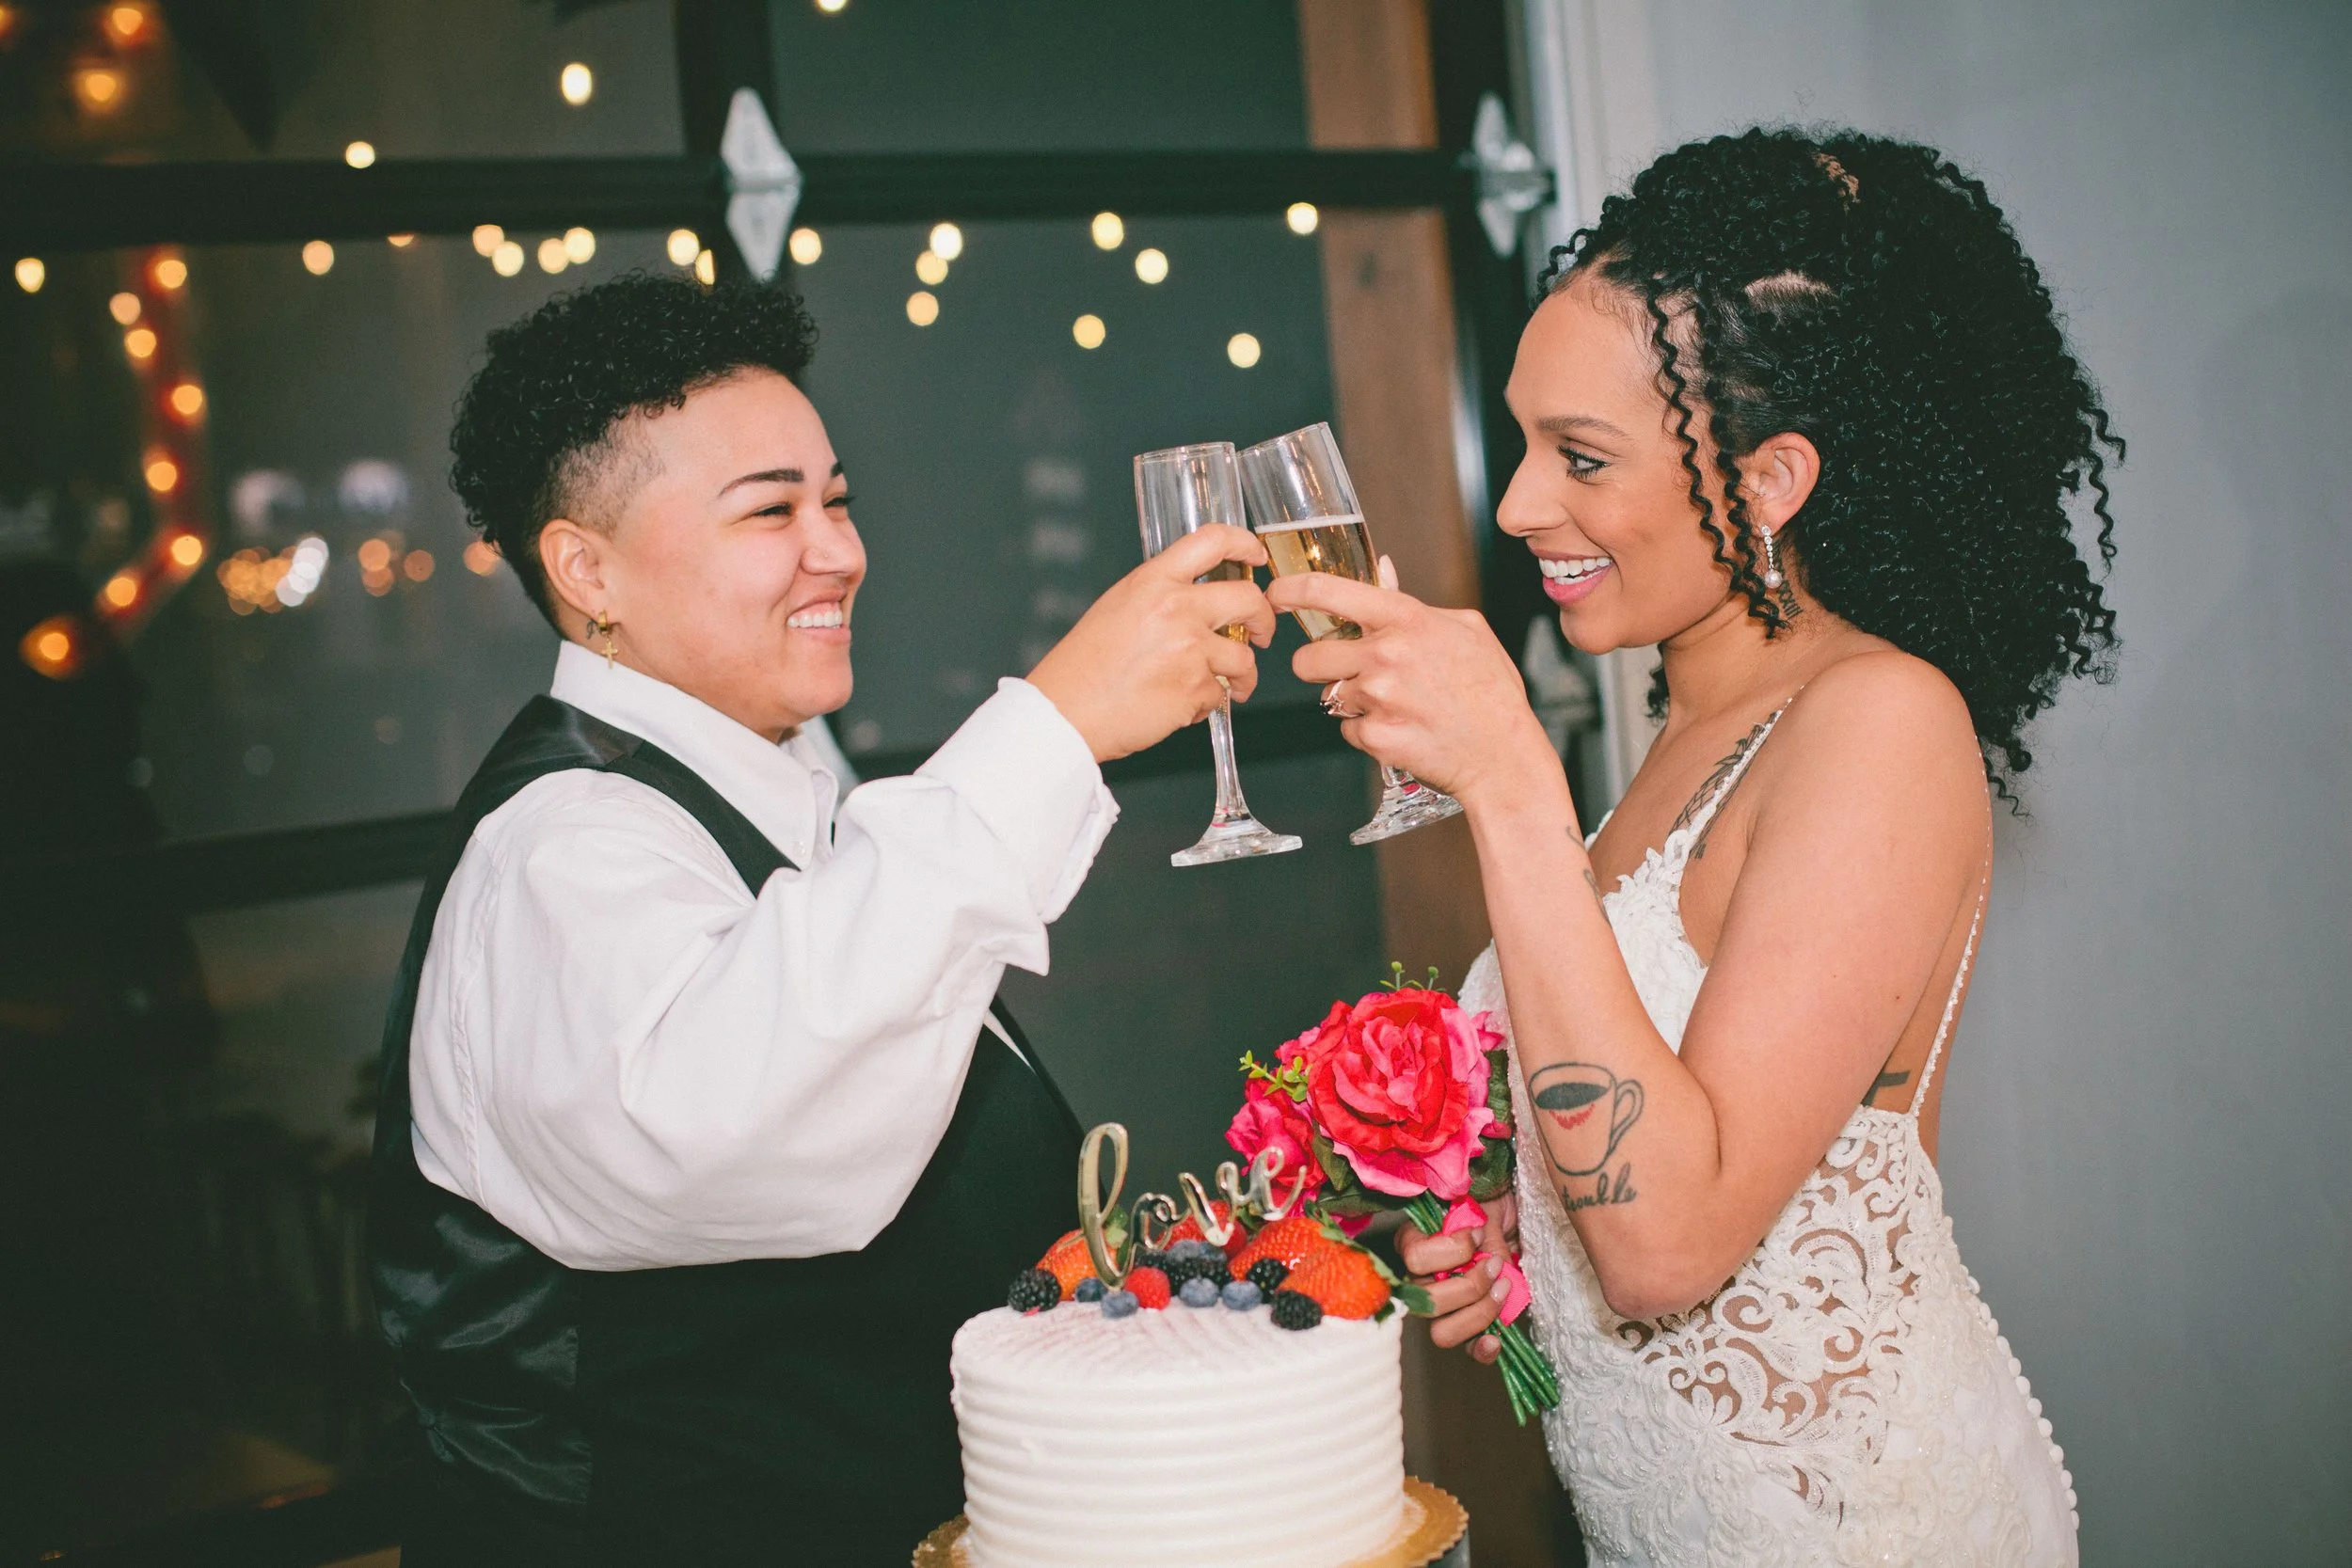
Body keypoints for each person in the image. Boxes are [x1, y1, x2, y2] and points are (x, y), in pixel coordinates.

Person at [1269, 129, 2117, 1565]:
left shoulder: (1884, 722)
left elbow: (1669, 1244)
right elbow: (1638, 1182)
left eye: (1580, 456)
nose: (1521, 502)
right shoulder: (1676, 740)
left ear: (1773, 477)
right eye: (1526, 441)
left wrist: (1505, 776)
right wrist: (1515, 1256)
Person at [372, 274, 1272, 1565]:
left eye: (836, 498)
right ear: (588, 570)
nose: (840, 549)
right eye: (770, 511)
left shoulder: (761, 789)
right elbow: (754, 1118)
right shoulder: (558, 846)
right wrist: (1059, 724)